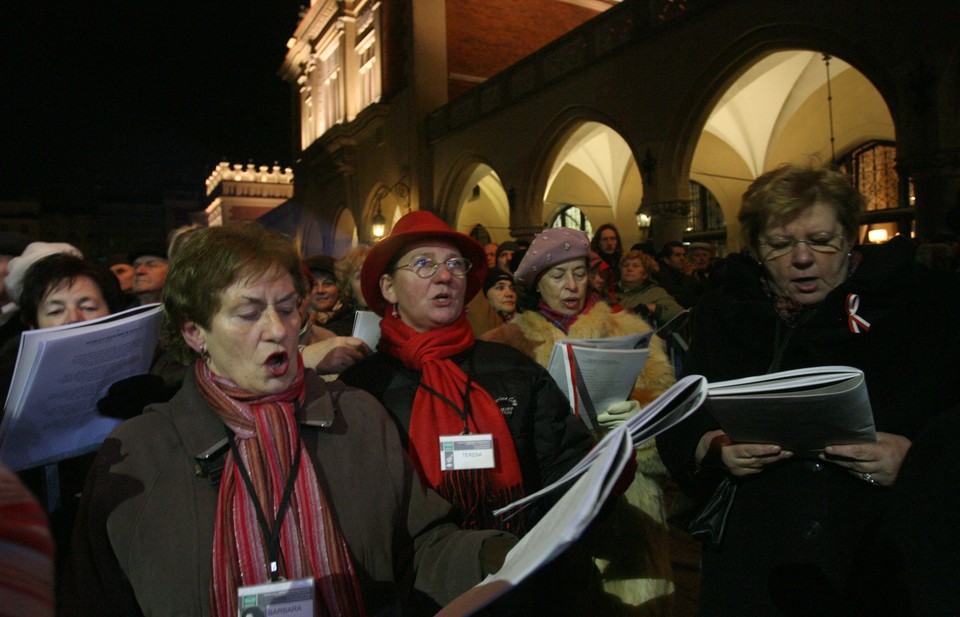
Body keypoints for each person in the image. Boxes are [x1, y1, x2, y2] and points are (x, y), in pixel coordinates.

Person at [58, 223, 516, 617]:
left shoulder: (357, 416)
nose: (278, 330)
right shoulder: (139, 454)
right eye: (248, 313)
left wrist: (498, 555)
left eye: (286, 306)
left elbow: (420, 549)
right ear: (195, 331)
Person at [656, 164, 960, 616]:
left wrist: (915, 462)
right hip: (758, 569)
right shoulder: (727, 313)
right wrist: (712, 446)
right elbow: (682, 419)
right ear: (756, 247)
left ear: (850, 236)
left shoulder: (921, 307)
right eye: (780, 244)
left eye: (821, 240)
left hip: (883, 566)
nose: (802, 258)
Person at [481, 226, 679, 614]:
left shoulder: (631, 332)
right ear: (536, 284)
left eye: (579, 272)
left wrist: (641, 420)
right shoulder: (506, 345)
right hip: (547, 500)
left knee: (631, 601)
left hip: (626, 499)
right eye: (557, 276)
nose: (571, 285)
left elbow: (667, 416)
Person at [616, 249, 684, 327]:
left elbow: (678, 313)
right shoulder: (608, 290)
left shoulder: (655, 292)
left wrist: (651, 308)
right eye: (625, 265)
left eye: (635, 266)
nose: (629, 269)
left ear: (645, 274)